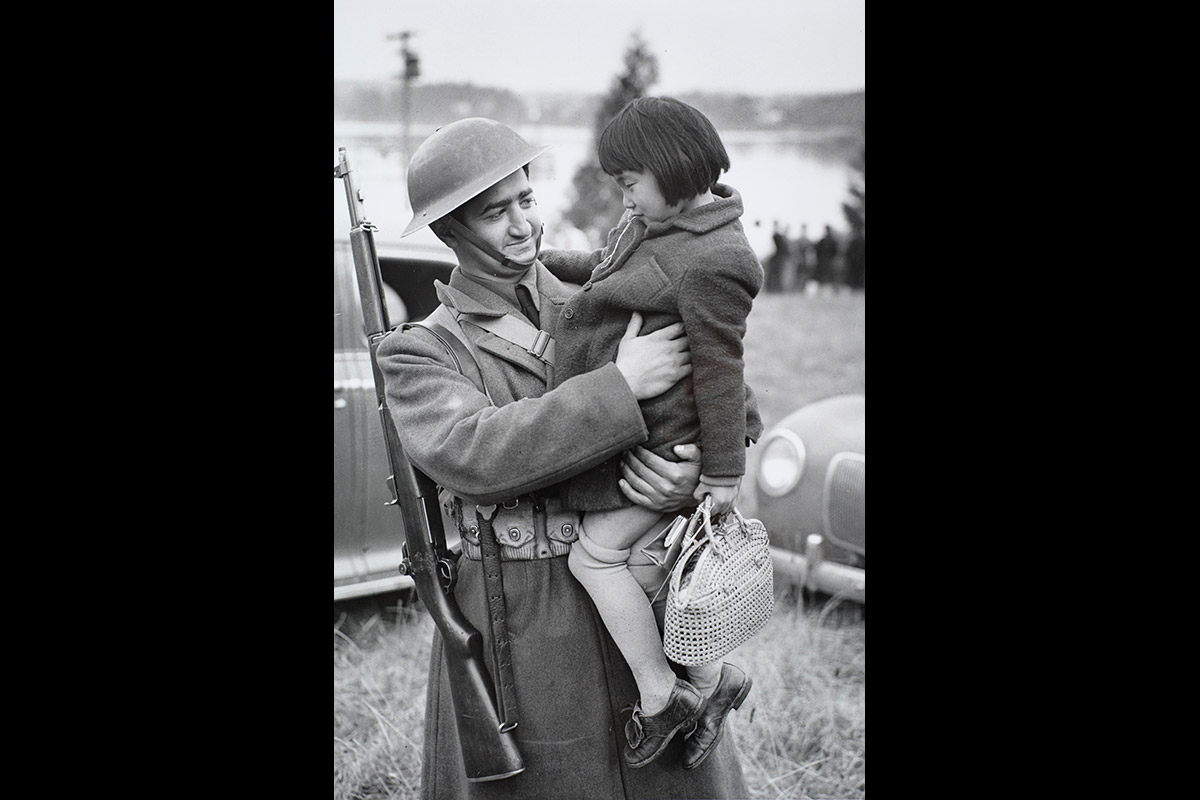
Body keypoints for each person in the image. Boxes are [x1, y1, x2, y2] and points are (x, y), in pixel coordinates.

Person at [375, 117, 753, 799]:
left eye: (525, 200)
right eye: (496, 214)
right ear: (449, 234)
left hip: (636, 592)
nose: (522, 225)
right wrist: (620, 387)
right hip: (524, 624)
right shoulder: (419, 352)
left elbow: (718, 384)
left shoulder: (603, 295)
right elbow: (475, 451)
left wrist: (689, 475)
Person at [538, 96, 763, 772]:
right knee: (642, 567)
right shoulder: (659, 221)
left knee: (595, 558)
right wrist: (549, 261)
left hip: (671, 444)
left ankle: (663, 694)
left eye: (630, 181)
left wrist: (721, 475)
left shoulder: (716, 259)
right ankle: (713, 678)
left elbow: (722, 371)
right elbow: (611, 268)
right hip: (649, 431)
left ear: (668, 168)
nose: (623, 196)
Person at [813, 223, 841, 294]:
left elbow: (836, 252)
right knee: (822, 276)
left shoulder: (832, 241)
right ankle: (820, 290)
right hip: (823, 260)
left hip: (830, 260)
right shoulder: (822, 241)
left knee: (832, 276)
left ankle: (835, 291)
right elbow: (817, 250)